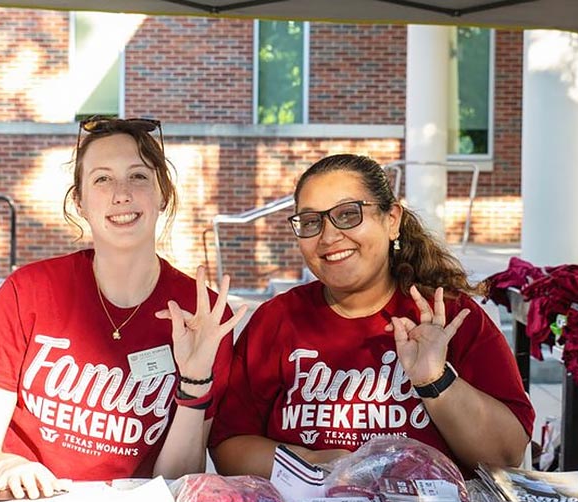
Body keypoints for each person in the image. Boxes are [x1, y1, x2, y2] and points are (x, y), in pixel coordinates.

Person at [0, 116, 245, 499]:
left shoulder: (203, 317)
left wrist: (194, 383)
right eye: (102, 179)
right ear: (80, 201)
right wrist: (7, 464)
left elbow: (175, 484)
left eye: (138, 176)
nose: (121, 193)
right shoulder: (29, 291)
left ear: (163, 195)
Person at [210, 154, 533, 478]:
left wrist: (437, 382)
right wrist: (320, 463)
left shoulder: (446, 315)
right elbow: (229, 449)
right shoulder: (276, 320)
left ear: (391, 220)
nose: (328, 236)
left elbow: (507, 454)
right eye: (310, 222)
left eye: (348, 215)